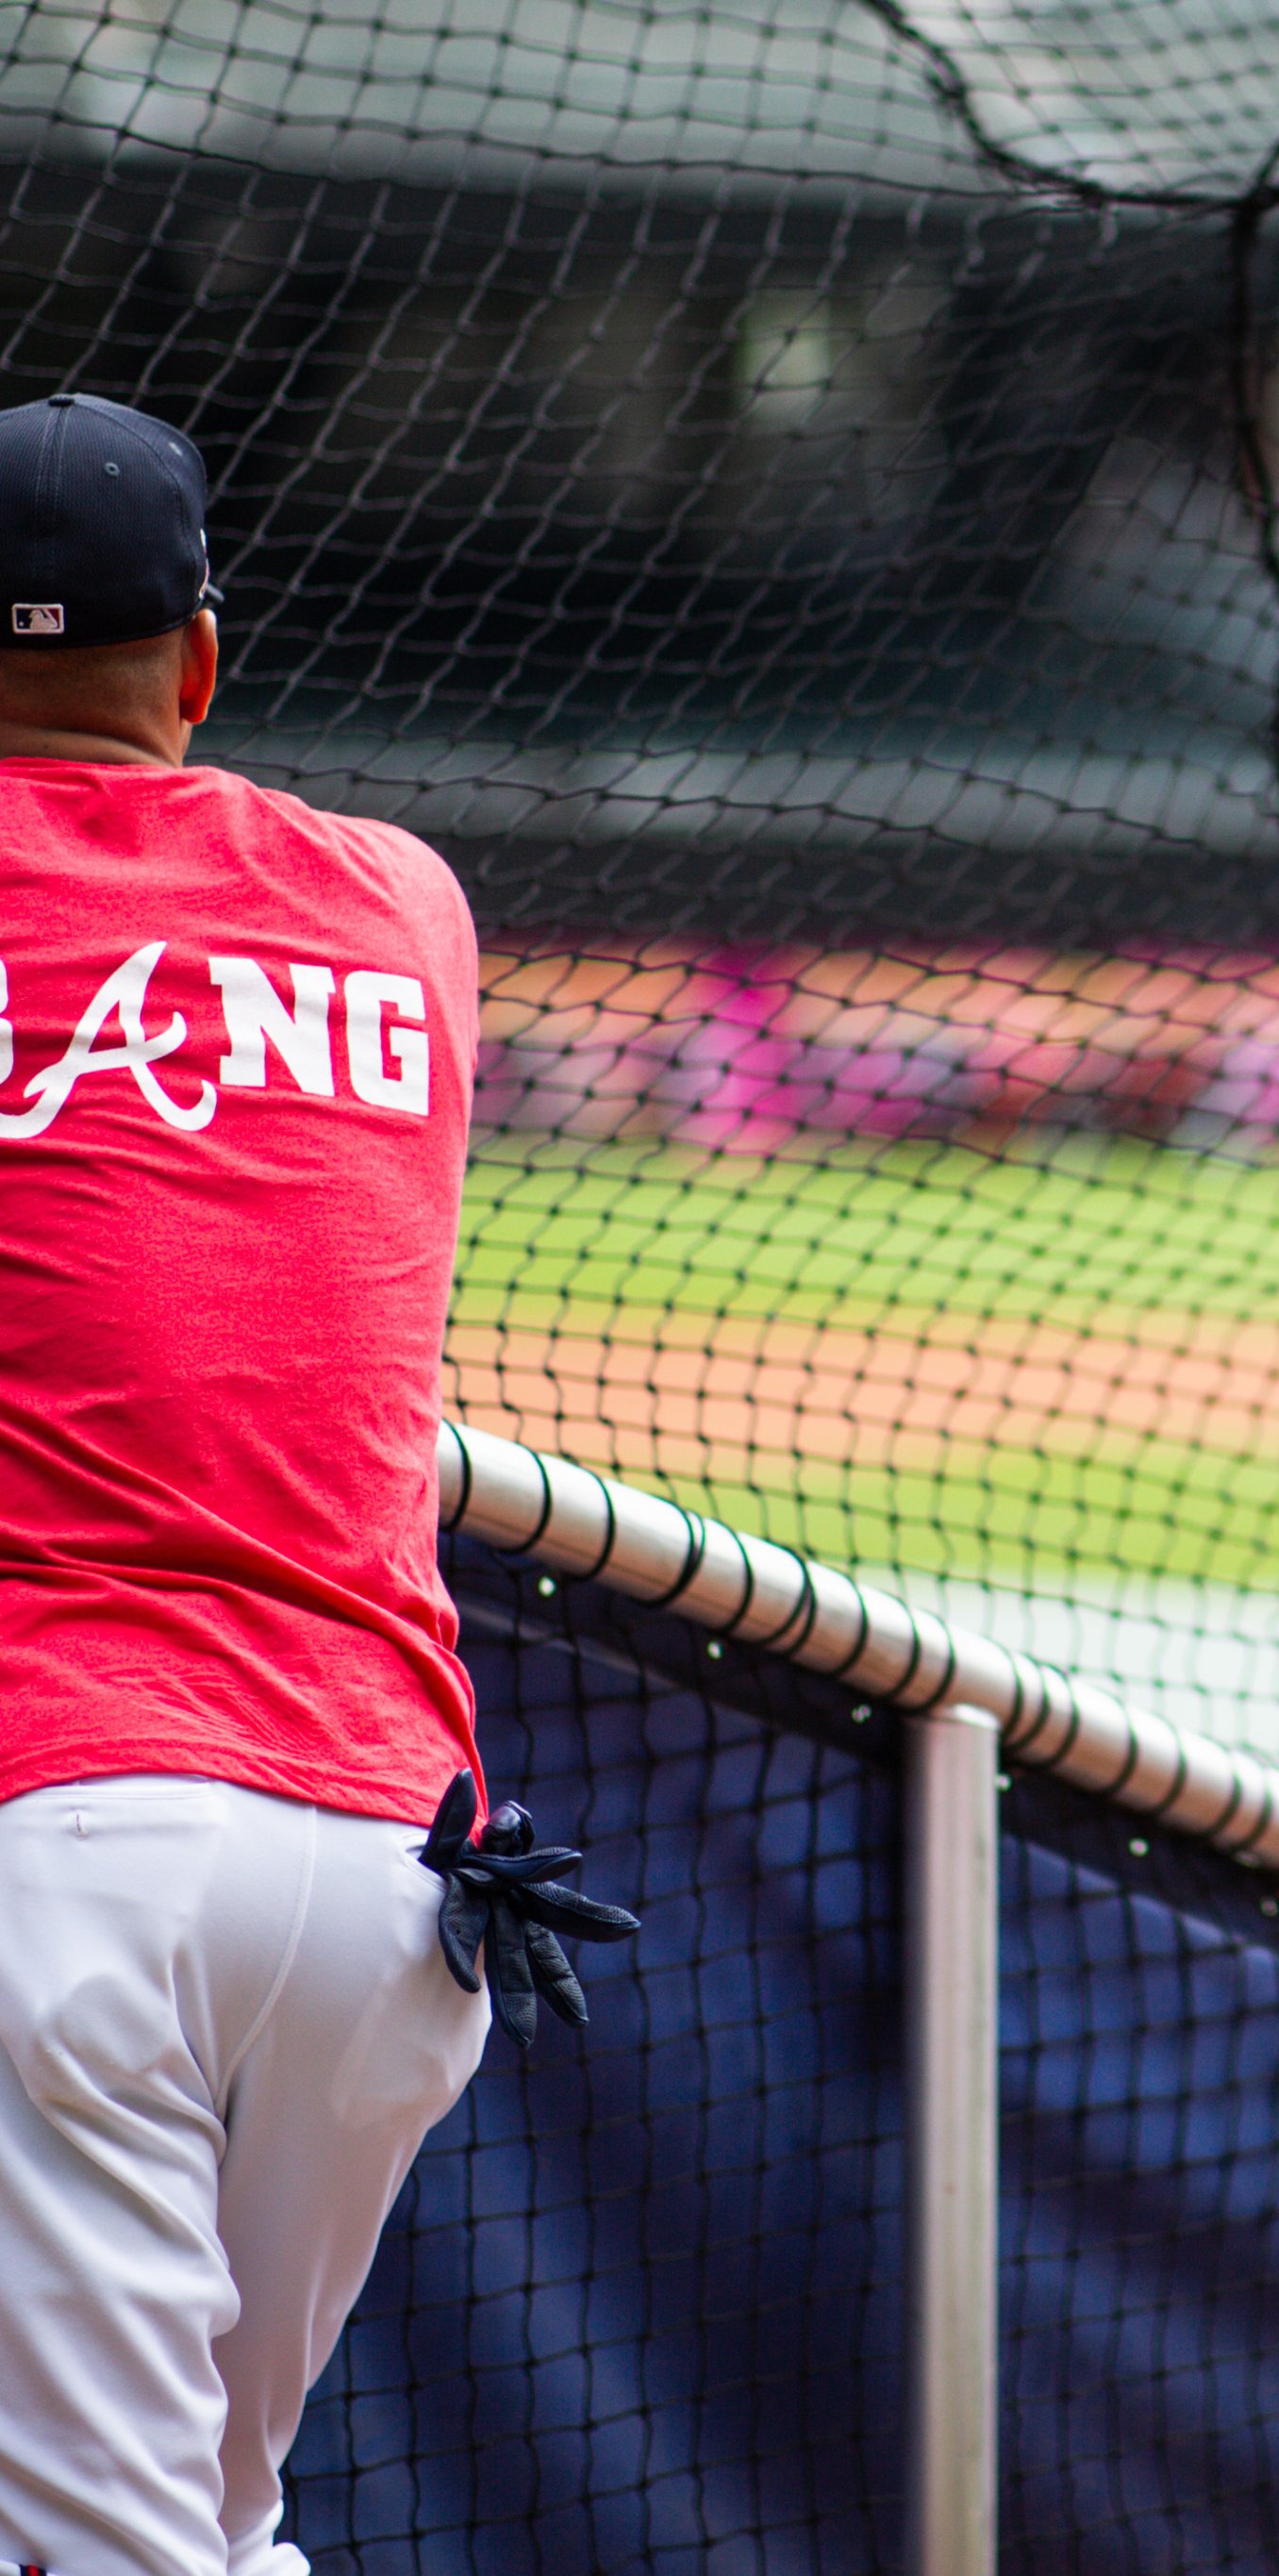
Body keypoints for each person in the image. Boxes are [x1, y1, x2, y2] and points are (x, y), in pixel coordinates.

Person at [0, 393, 501, 2576]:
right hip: (391, 1883)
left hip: (65, 1846)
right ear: (197, 663)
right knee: (210, 2524)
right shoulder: (403, 899)